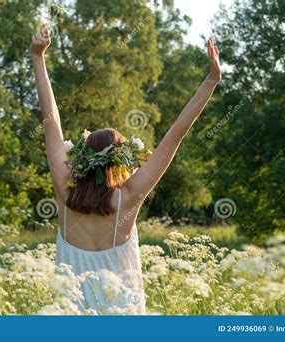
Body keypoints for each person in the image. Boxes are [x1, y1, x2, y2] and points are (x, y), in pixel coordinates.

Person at [31, 25, 221, 314]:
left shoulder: (64, 189)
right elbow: (174, 137)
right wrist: (210, 82)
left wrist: (38, 58)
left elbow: (50, 120)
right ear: (120, 162)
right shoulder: (128, 197)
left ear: (83, 159)